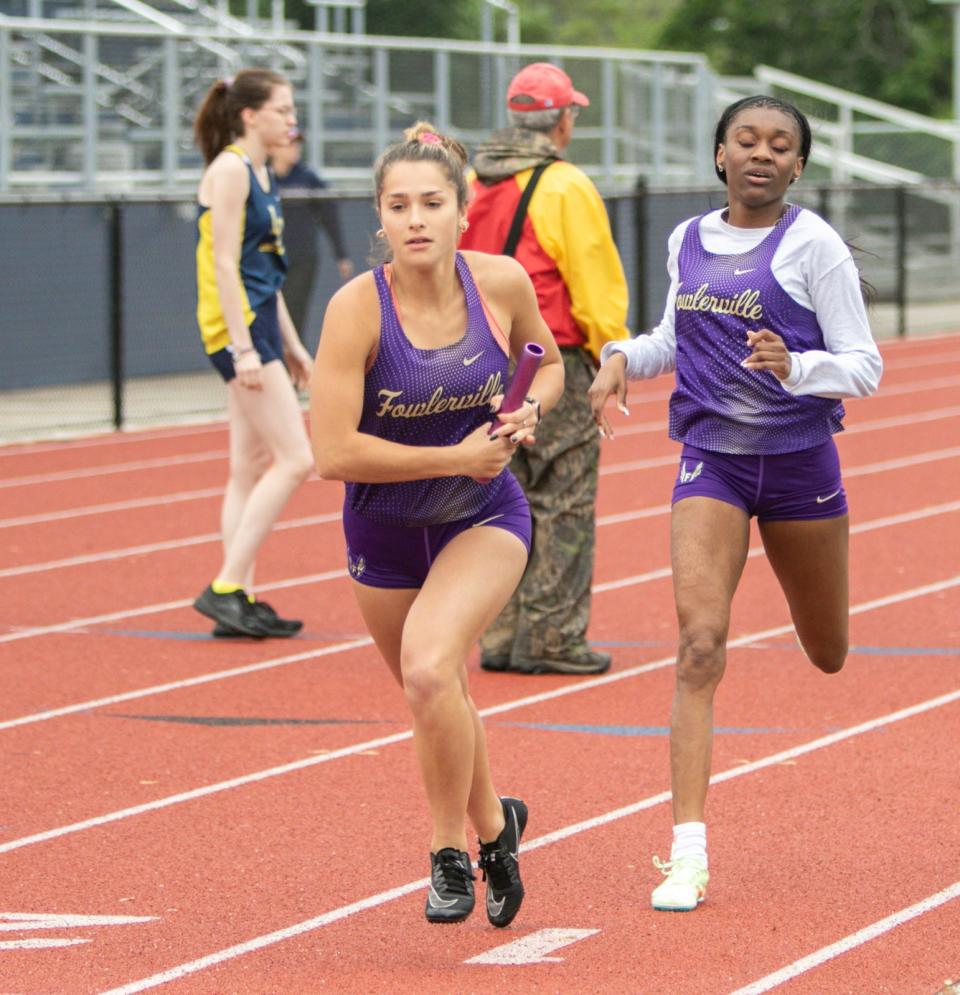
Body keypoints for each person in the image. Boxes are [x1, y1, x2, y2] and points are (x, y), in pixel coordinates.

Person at [588, 95, 883, 911]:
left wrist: (797, 366)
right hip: (711, 463)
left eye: (780, 145)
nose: (762, 153)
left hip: (799, 467)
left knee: (828, 650)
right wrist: (619, 356)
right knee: (699, 643)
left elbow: (864, 365)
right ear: (720, 154)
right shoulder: (688, 239)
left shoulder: (813, 244)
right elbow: (673, 341)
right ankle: (687, 853)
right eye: (746, 140)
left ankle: (691, 844)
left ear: (797, 165)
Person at [309, 121, 564, 925]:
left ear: (462, 211)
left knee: (427, 670)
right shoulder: (356, 310)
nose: (415, 218)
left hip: (484, 516)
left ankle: (445, 851)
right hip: (383, 530)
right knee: (437, 690)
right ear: (378, 220)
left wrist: (526, 411)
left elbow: (549, 364)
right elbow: (331, 451)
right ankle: (497, 826)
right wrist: (452, 456)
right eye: (397, 205)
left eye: (431, 202)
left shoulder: (501, 284)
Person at [459, 62, 630, 676]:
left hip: (476, 362)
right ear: (561, 122)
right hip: (549, 359)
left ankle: (500, 633)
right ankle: (553, 637)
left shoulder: (469, 182)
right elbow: (594, 284)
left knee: (499, 499)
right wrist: (610, 351)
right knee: (563, 497)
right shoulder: (564, 185)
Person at [191, 69, 316, 639]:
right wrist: (244, 348)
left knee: (248, 467)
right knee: (296, 459)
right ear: (250, 115)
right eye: (282, 110)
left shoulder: (265, 171)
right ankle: (224, 586)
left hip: (261, 323)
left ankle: (238, 595)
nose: (292, 120)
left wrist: (292, 345)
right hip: (236, 329)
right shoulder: (230, 171)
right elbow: (223, 265)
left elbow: (266, 274)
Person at [270, 130, 354, 343]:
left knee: (294, 313)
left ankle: (294, 367)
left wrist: (341, 255)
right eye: (289, 143)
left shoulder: (308, 178)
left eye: (297, 144)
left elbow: (330, 216)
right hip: (270, 259)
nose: (295, 148)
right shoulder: (264, 178)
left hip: (303, 259)